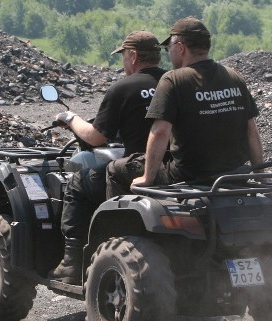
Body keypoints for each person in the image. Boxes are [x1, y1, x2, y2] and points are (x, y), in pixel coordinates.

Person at [50, 30, 166, 284]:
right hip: (175, 167)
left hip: (138, 168)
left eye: (124, 56)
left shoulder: (123, 88)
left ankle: (71, 262)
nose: (123, 62)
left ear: (133, 56)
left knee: (78, 183)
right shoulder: (175, 81)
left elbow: (95, 137)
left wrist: (70, 119)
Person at [106, 17, 263, 195]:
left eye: (169, 48)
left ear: (180, 48)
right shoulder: (234, 77)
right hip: (236, 175)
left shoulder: (173, 80)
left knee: (115, 170)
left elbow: (160, 132)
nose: (168, 53)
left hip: (188, 176)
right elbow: (252, 131)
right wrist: (259, 175)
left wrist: (148, 178)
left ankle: (120, 221)